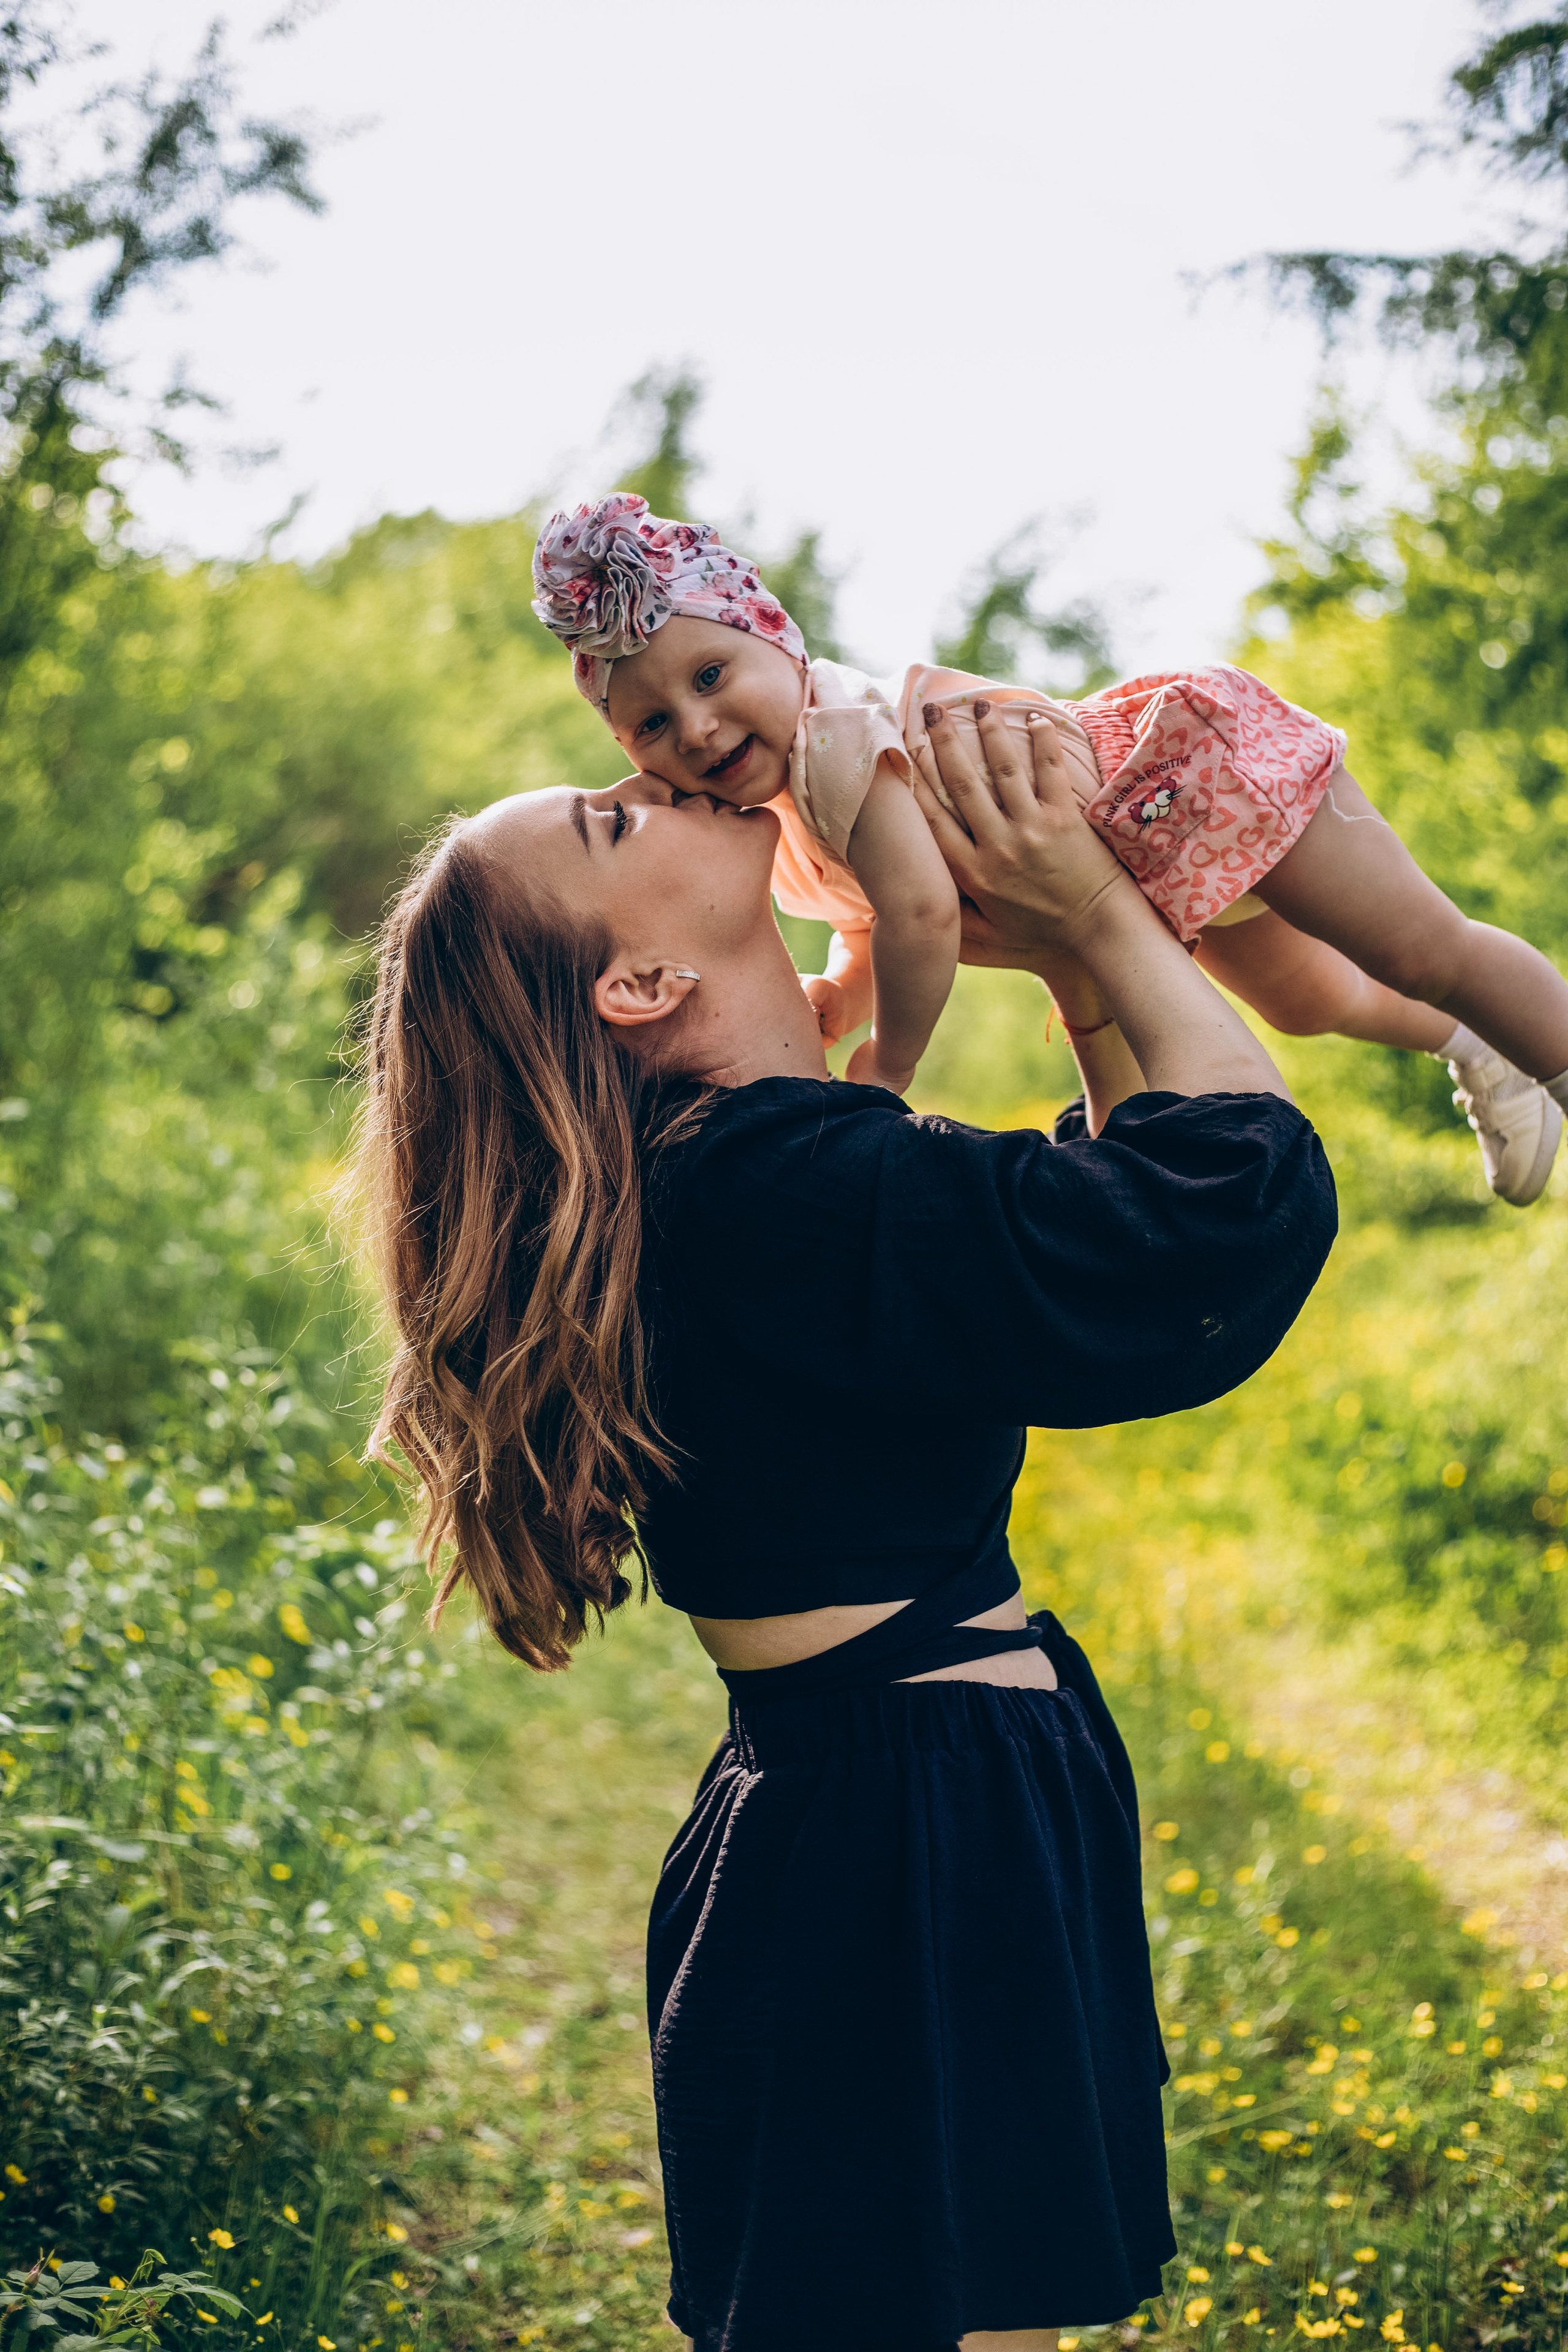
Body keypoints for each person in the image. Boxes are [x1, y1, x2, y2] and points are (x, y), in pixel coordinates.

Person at [353, 699, 1337, 2352]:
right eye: (612, 820)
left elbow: (1079, 1270)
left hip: (875, 1812)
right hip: (913, 1839)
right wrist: (1098, 911)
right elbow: (1222, 1215)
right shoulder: (778, 1189)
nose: (655, 778)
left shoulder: (731, 1185)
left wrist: (1088, 975)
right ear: (640, 983)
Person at [531, 492, 1568, 1206]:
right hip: (1148, 866)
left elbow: (925, 914)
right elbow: (873, 913)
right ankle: (1474, 1043)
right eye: (653, 725)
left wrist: (888, 1056)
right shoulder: (785, 820)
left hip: (1187, 779)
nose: (697, 730)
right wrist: (844, 990)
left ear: (779, 638)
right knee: (1308, 1003)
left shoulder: (836, 739)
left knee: (1425, 951)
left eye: (711, 677)